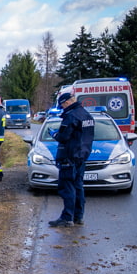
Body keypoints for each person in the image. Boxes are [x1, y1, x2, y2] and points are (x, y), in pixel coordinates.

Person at [49, 92, 95, 227]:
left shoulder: (71, 116)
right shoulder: (87, 115)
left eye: (62, 105)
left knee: (67, 188)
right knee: (78, 187)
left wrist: (53, 133)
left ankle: (67, 217)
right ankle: (78, 216)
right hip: (82, 157)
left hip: (69, 157)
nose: (62, 108)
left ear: (67, 102)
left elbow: (63, 137)